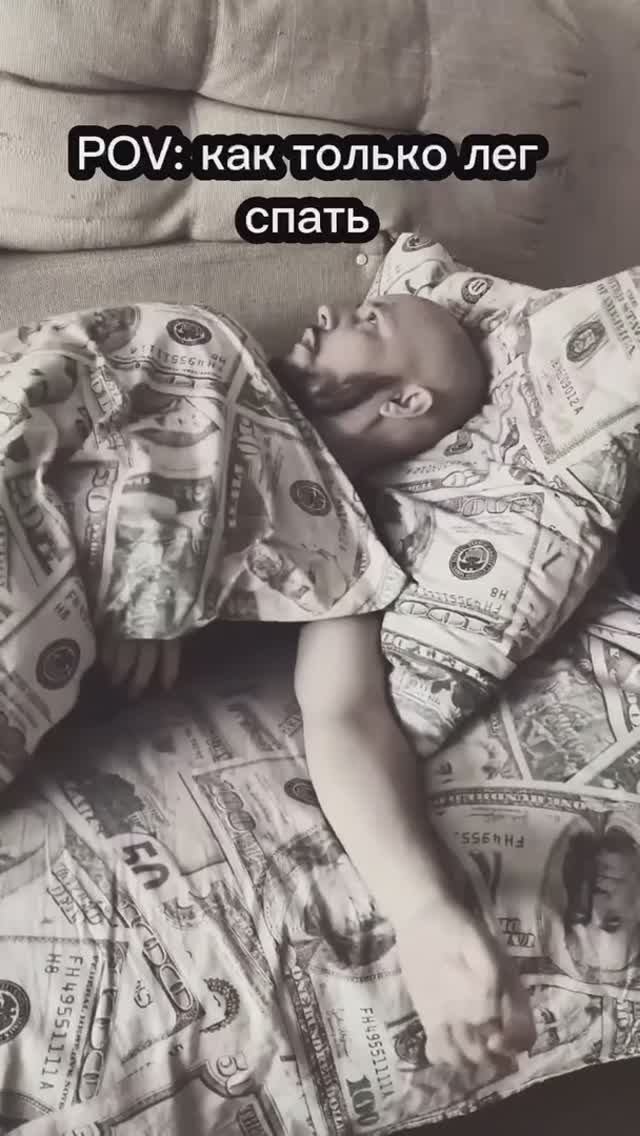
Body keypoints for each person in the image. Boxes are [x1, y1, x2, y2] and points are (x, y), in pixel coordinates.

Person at [100, 294, 536, 1073]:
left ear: (408, 401)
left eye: (371, 324)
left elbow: (345, 715)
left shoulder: (350, 548)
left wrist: (424, 914)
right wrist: (146, 566)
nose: (332, 310)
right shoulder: (209, 350)